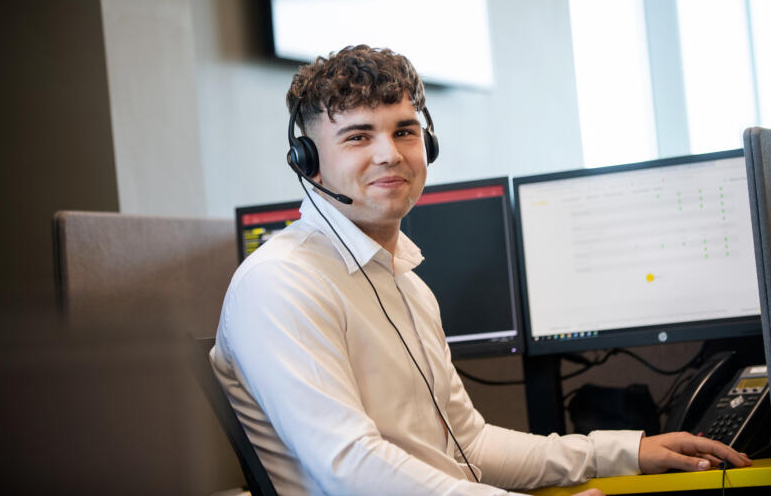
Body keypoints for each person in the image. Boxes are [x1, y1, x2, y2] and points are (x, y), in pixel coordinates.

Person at [211, 45, 751, 496]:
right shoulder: (282, 283)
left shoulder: (406, 285)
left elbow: (469, 448)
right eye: (357, 137)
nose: (389, 154)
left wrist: (623, 451)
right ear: (308, 161)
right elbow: (350, 468)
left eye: (404, 131)